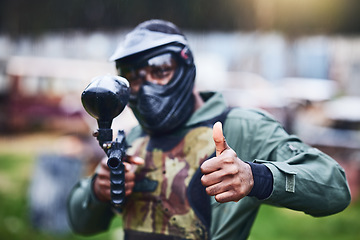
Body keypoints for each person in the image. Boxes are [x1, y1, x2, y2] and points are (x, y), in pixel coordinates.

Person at [67, 19, 351, 240]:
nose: (145, 86)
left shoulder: (240, 127)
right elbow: (80, 225)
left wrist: (257, 177)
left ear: (185, 66)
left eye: (158, 70)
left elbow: (335, 187)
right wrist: (97, 190)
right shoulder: (135, 138)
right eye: (132, 78)